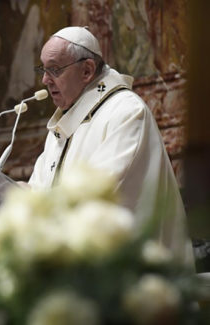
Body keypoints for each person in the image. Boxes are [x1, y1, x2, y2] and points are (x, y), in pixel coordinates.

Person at [28, 26, 193, 264]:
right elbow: (37, 191)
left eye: (54, 69)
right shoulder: (64, 125)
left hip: (136, 275)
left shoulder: (125, 112)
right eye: (43, 69)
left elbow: (100, 194)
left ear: (87, 70)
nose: (45, 80)